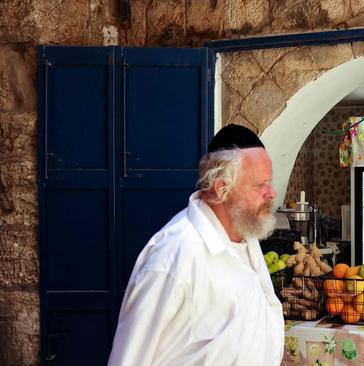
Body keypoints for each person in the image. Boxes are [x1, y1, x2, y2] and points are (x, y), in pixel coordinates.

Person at [108, 124, 284, 365]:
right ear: (223, 188)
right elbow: (130, 359)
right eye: (259, 185)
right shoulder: (173, 257)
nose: (272, 192)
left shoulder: (245, 237)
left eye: (269, 182)